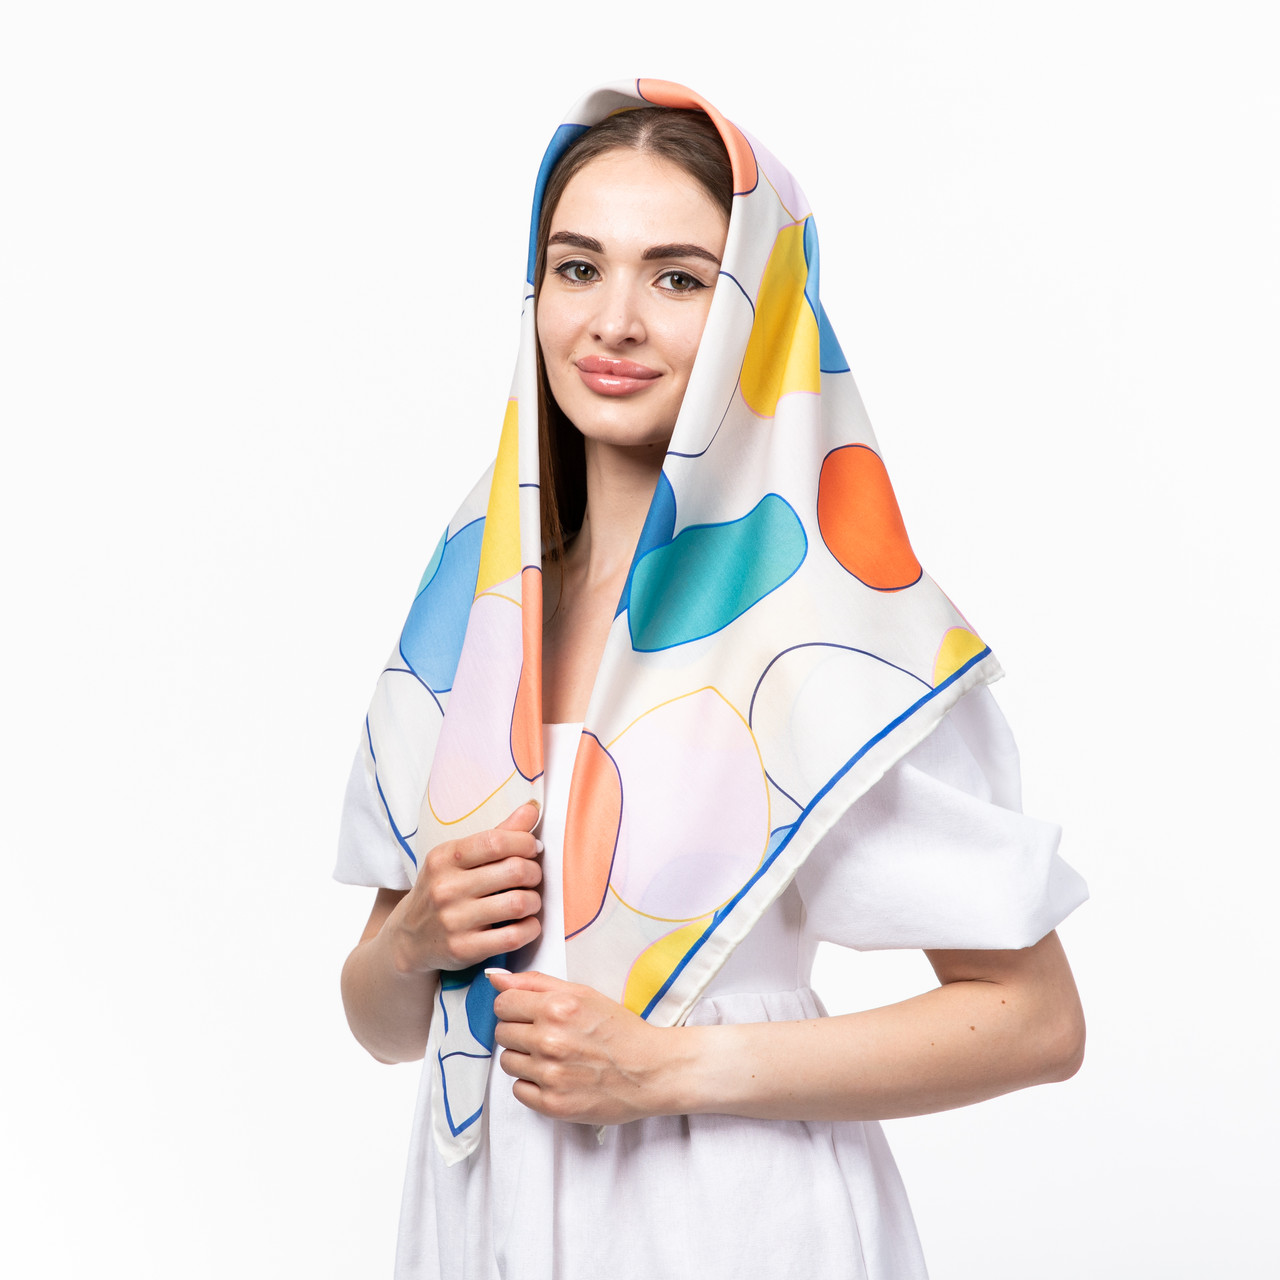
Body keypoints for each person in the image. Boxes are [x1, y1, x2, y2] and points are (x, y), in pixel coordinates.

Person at [336, 79, 1087, 1280]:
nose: (613, 321)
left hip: (734, 1225)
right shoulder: (469, 618)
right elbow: (381, 1022)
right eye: (576, 267)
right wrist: (413, 939)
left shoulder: (831, 631)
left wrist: (666, 1067)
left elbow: (1036, 1019)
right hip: (481, 1221)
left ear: (759, 313)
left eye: (678, 278)